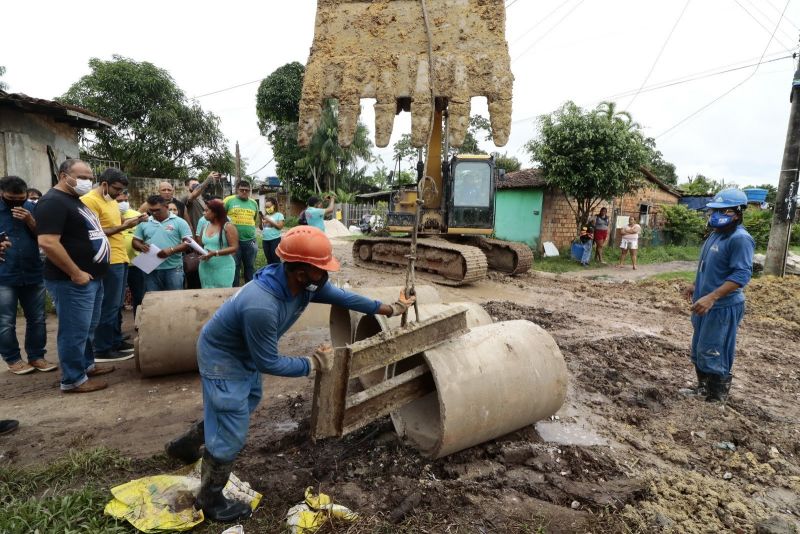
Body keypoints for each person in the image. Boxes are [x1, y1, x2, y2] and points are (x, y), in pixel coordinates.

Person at [164, 226, 416, 522]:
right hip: (223, 357)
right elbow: (269, 362)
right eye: (322, 269)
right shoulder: (262, 305)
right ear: (300, 272)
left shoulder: (305, 283)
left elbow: (345, 298)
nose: (326, 275)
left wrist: (390, 308)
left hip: (242, 350)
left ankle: (188, 445)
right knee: (232, 425)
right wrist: (314, 363)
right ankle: (211, 499)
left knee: (246, 400)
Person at [36, 159, 114, 393]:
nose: (88, 181)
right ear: (63, 176)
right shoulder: (52, 202)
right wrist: (75, 272)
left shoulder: (73, 201)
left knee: (88, 327)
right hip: (71, 280)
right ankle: (73, 379)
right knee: (74, 330)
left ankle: (86, 366)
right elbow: (48, 242)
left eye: (90, 177)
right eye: (82, 177)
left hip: (91, 277)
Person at [684, 189, 754, 403]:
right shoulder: (716, 234)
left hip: (722, 306)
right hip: (704, 302)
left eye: (724, 210)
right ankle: (702, 389)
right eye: (715, 210)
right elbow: (710, 266)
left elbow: (741, 275)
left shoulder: (740, 239)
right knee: (699, 349)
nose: (716, 215)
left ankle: (716, 399)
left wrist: (712, 297)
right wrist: (696, 285)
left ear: (738, 213)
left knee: (715, 350)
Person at [81, 168, 145, 363]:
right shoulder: (90, 201)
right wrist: (124, 227)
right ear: (104, 184)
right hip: (107, 260)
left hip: (120, 257)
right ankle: (102, 348)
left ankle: (115, 341)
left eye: (122, 190)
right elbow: (92, 232)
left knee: (116, 305)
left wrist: (131, 221)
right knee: (108, 305)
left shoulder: (110, 201)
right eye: (117, 189)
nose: (120, 194)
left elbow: (113, 224)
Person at [0, 176, 55, 374]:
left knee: (37, 318)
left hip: (32, 271)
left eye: (21, 198)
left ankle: (37, 356)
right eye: (11, 198)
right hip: (4, 274)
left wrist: (30, 221)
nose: (16, 202)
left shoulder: (32, 208)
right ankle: (13, 359)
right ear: (1, 193)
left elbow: (45, 236)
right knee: (6, 320)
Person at [133, 195, 192, 292]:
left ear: (166, 207)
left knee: (174, 300)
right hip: (150, 268)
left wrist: (171, 250)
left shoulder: (179, 222)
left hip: (173, 269)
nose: (154, 213)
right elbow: (135, 241)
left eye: (157, 210)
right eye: (151, 210)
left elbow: (189, 242)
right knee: (153, 300)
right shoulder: (144, 222)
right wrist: (140, 246)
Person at [182, 172, 221, 290]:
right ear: (186, 187)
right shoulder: (187, 198)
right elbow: (193, 195)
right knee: (193, 269)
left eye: (198, 185)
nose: (197, 186)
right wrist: (207, 180)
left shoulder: (202, 199)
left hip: (206, 238)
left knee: (206, 267)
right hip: (194, 240)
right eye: (193, 185)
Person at [195, 199, 239, 288]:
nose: (204, 213)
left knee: (223, 294)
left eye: (207, 210)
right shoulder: (204, 226)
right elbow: (201, 244)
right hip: (205, 266)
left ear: (215, 212)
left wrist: (215, 253)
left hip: (223, 267)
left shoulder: (228, 226)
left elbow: (234, 247)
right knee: (206, 292)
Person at [116, 191, 146, 320]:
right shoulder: (107, 215)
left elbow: (145, 237)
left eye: (124, 200)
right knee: (116, 300)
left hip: (136, 263)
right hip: (115, 263)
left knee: (139, 296)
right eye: (118, 201)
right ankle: (115, 332)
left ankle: (139, 324)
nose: (122, 203)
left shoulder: (137, 215)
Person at [223, 180, 260, 286]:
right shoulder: (228, 200)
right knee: (235, 266)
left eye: (247, 190)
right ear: (237, 190)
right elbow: (222, 217)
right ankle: (234, 290)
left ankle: (250, 289)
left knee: (250, 266)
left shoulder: (253, 203)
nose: (244, 192)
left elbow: (254, 218)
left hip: (250, 241)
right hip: (233, 242)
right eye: (242, 190)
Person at [261, 197, 284, 265]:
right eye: (266, 207)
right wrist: (260, 220)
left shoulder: (279, 215)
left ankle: (277, 273)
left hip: (275, 240)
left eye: (269, 207)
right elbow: (261, 228)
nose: (267, 208)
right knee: (269, 259)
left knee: (275, 258)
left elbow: (280, 227)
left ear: (274, 206)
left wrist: (269, 220)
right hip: (265, 240)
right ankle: (271, 273)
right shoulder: (265, 216)